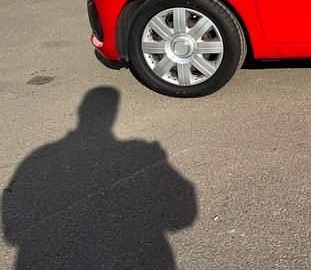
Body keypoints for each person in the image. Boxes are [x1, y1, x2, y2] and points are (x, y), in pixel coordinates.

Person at [2, 87, 197, 269]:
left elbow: (11, 234)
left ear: (79, 111)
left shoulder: (37, 158)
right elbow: (184, 216)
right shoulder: (142, 150)